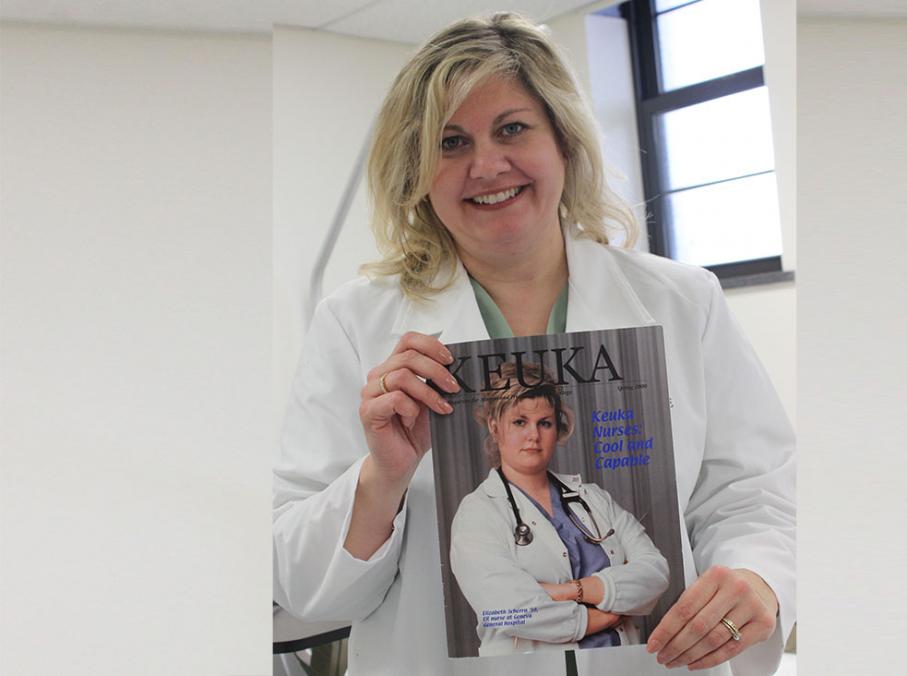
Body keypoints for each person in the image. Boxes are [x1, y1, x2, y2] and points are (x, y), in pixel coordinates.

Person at [273, 12, 795, 676]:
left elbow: (752, 492)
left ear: (564, 142)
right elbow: (301, 580)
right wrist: (382, 478)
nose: (486, 165)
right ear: (416, 171)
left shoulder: (681, 301)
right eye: (450, 141)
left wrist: (757, 574)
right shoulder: (355, 323)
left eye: (512, 129)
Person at [450, 362, 670, 655]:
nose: (534, 435)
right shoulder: (477, 512)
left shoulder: (593, 497)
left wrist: (569, 591)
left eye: (545, 423)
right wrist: (605, 612)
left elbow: (655, 572)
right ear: (494, 426)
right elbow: (505, 608)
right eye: (519, 422)